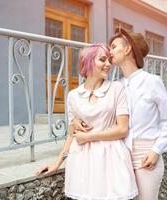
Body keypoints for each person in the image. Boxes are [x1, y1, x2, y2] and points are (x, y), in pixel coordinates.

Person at [74, 28, 167, 200]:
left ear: (128, 49)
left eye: (114, 46)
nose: (110, 51)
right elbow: (96, 110)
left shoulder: (152, 82)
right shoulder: (116, 86)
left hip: (146, 156)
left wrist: (156, 150)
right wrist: (78, 119)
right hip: (120, 156)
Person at [35, 43, 138, 200]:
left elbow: (122, 129)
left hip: (110, 158)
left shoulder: (116, 88)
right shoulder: (73, 96)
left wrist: (89, 137)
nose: (108, 64)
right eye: (102, 60)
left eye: (109, 60)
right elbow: (71, 135)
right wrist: (56, 163)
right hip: (82, 160)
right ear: (88, 62)